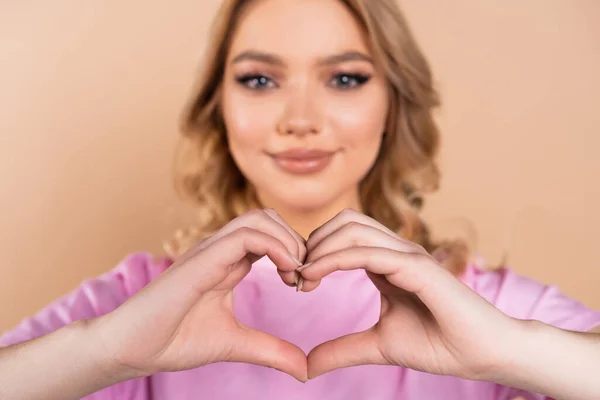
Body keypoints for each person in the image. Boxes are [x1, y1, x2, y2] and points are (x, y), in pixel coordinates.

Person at [1, 0, 599, 399]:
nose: (300, 119)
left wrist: (511, 349)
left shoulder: (488, 308)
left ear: (392, 105)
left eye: (345, 78)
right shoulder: (136, 302)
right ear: (220, 109)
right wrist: (103, 352)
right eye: (260, 79)